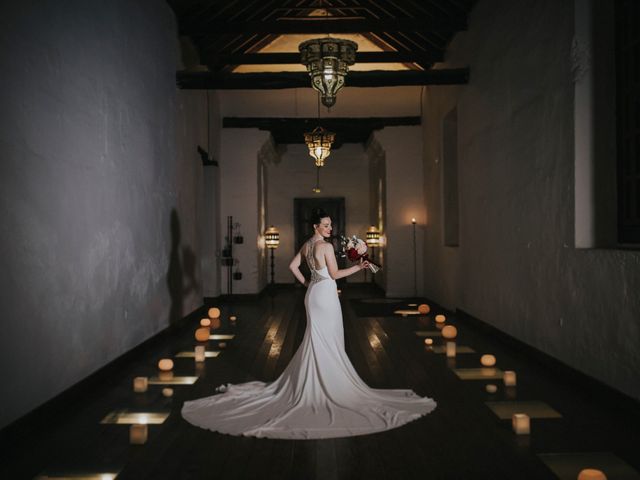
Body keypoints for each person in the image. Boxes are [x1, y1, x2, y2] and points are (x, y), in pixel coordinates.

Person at [181, 208, 436, 439]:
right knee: (329, 338)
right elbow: (335, 275)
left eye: (330, 225)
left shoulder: (307, 245)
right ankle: (330, 384)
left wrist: (307, 284)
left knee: (316, 337)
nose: (330, 228)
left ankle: (314, 381)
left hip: (313, 294)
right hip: (325, 294)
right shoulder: (324, 247)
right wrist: (360, 267)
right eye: (325, 225)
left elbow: (293, 266)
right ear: (316, 226)